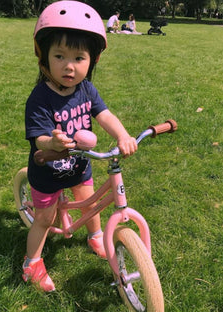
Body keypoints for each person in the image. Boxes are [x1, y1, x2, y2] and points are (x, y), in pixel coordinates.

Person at [23, 1, 138, 292]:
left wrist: (123, 135)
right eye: (59, 56)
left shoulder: (86, 89)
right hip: (48, 170)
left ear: (93, 60)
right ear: (44, 57)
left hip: (80, 165)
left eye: (79, 57)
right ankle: (31, 263)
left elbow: (104, 115)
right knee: (44, 221)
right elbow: (38, 138)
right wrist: (52, 141)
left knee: (89, 203)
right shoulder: (40, 98)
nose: (69, 65)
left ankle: (95, 235)